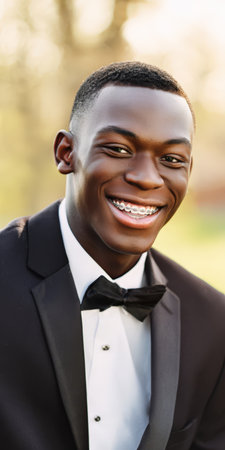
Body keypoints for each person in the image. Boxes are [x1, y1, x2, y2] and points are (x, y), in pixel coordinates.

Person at [0, 62, 224, 450]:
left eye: (171, 159)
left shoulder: (213, 321)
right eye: (119, 149)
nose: (147, 178)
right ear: (66, 152)